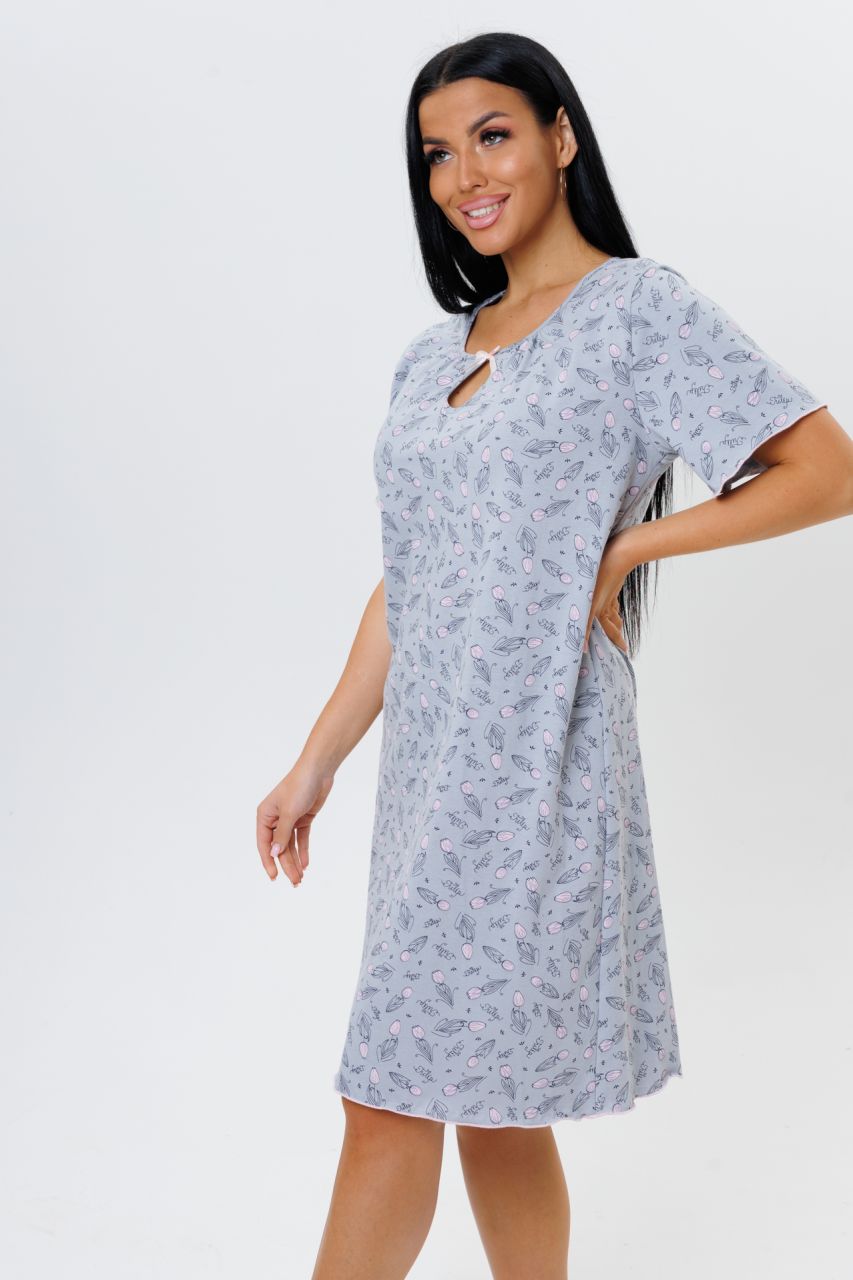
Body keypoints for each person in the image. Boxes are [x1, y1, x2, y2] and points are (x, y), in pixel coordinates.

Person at [256, 32, 853, 1280]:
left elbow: (824, 469)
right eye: (436, 154)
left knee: (389, 1094)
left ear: (560, 135)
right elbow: (411, 580)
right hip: (428, 787)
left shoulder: (638, 312)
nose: (464, 175)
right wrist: (315, 762)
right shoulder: (434, 356)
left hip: (538, 772)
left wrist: (629, 546)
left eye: (492, 135)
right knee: (492, 1101)